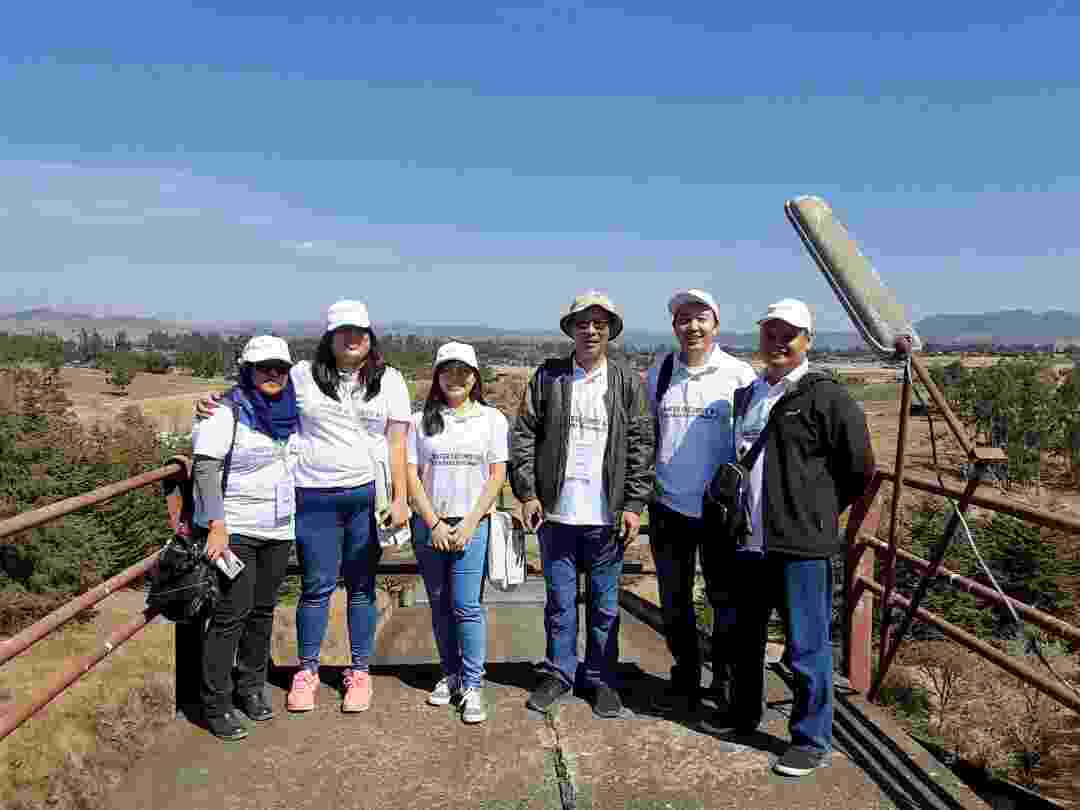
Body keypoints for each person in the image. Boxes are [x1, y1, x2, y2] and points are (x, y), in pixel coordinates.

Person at [197, 300, 411, 714]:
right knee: (316, 588)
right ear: (329, 338)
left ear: (370, 337)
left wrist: (401, 498)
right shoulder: (302, 376)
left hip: (367, 497)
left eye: (360, 332)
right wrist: (215, 402)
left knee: (362, 588)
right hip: (312, 497)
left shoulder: (391, 381)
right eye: (343, 331)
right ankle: (308, 669)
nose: (353, 338)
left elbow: (397, 442)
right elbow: (256, 393)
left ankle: (360, 670)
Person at [720, 299, 874, 776]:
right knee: (744, 640)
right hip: (749, 541)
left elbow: (859, 470)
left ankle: (811, 739)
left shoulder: (827, 397)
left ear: (808, 340)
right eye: (771, 333)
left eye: (791, 334)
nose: (780, 342)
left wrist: (818, 515)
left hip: (801, 545)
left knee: (807, 646)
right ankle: (744, 715)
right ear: (760, 337)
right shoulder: (748, 395)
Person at [509, 291, 654, 719]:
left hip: (605, 516)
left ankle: (601, 678)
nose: (591, 330)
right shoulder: (549, 378)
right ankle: (559, 673)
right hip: (557, 514)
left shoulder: (626, 381)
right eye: (583, 323)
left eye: (599, 324)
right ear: (571, 329)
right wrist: (529, 493)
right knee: (559, 600)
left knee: (605, 605)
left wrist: (633, 503)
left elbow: (641, 443)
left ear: (610, 331)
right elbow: (524, 436)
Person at [645, 290, 756, 717]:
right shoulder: (661, 371)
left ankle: (723, 679)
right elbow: (648, 431)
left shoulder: (738, 374)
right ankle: (685, 670)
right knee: (673, 598)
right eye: (683, 319)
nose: (692, 326)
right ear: (674, 326)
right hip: (668, 505)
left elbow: (750, 441)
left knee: (723, 598)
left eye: (700, 318)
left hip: (718, 509)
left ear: (716, 324)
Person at [192, 335, 301, 740]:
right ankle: (216, 704)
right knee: (230, 616)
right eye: (264, 368)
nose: (273, 375)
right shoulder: (225, 411)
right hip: (235, 530)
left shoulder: (292, 411)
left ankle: (252, 687)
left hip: (278, 527)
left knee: (262, 611)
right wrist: (217, 526)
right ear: (248, 370)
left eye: (280, 368)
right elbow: (205, 469)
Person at [407, 342, 508, 724]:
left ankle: (472, 684)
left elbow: (496, 475)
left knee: (466, 606)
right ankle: (449, 674)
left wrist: (467, 524)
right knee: (439, 606)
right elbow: (412, 476)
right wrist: (433, 522)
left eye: (463, 371)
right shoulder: (421, 421)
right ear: (437, 376)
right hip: (430, 526)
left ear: (474, 377)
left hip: (472, 524)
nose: (455, 377)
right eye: (447, 370)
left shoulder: (492, 420)